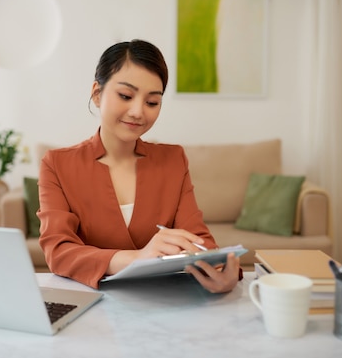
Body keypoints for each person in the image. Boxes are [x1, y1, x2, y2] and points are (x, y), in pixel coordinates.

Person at [37, 39, 241, 292]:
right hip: (92, 304)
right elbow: (58, 251)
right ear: (97, 93)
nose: (138, 112)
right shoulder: (58, 164)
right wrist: (136, 258)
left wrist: (221, 271)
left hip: (164, 302)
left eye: (152, 102)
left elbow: (198, 240)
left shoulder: (173, 160)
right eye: (125, 96)